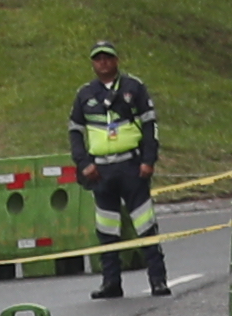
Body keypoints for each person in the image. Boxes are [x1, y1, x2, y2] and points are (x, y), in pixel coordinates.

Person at [70, 37, 166, 299]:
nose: (103, 62)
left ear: (116, 60)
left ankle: (158, 279)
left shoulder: (134, 88)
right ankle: (111, 282)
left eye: (107, 57)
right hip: (101, 171)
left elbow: (150, 126)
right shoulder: (85, 95)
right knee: (107, 228)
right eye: (98, 58)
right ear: (93, 63)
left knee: (145, 224)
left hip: (131, 166)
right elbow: (75, 132)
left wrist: (148, 160)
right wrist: (84, 163)